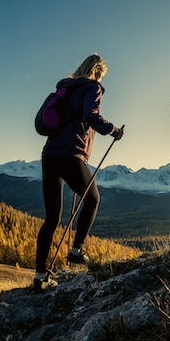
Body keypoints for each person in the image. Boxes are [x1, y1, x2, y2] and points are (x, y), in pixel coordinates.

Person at [34, 54, 125, 291]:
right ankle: (77, 250)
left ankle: (40, 275)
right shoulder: (92, 87)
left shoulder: (66, 87)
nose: (101, 79)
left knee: (51, 218)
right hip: (70, 153)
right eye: (101, 75)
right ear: (96, 71)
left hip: (50, 153)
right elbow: (91, 116)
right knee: (93, 198)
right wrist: (113, 130)